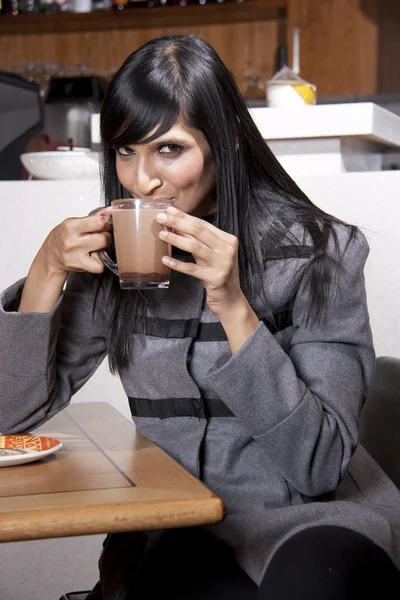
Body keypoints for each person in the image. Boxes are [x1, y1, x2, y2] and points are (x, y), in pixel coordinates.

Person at [1, 34, 400, 600]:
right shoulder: (113, 251)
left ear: (227, 141)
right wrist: (44, 271)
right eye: (124, 151)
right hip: (178, 533)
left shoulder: (321, 253)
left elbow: (318, 469)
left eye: (168, 149)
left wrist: (235, 308)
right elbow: (6, 417)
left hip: (309, 531)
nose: (141, 181)